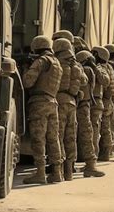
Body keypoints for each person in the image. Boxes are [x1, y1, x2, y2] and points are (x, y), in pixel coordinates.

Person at [22, 35, 63, 184]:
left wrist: (26, 68)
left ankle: (40, 173)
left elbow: (27, 82)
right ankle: (57, 172)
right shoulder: (57, 63)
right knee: (53, 138)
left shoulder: (41, 61)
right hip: (53, 102)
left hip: (39, 103)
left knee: (38, 139)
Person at [53, 38, 87, 181]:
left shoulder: (58, 63)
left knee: (57, 136)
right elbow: (84, 81)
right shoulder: (77, 66)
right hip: (73, 102)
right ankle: (69, 172)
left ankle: (57, 173)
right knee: (70, 137)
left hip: (59, 101)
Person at [75, 50, 105, 177]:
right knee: (86, 134)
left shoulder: (86, 70)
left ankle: (66, 167)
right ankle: (90, 165)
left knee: (84, 134)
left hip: (81, 105)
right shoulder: (88, 70)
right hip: (83, 104)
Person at [93, 46, 114, 161]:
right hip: (110, 100)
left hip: (105, 100)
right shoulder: (109, 67)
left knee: (103, 128)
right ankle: (107, 152)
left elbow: (105, 82)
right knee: (106, 128)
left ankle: (105, 152)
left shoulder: (101, 67)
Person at [89, 48, 110, 157]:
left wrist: (94, 68)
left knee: (94, 132)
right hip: (88, 102)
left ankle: (93, 157)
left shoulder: (100, 68)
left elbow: (106, 81)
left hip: (96, 102)